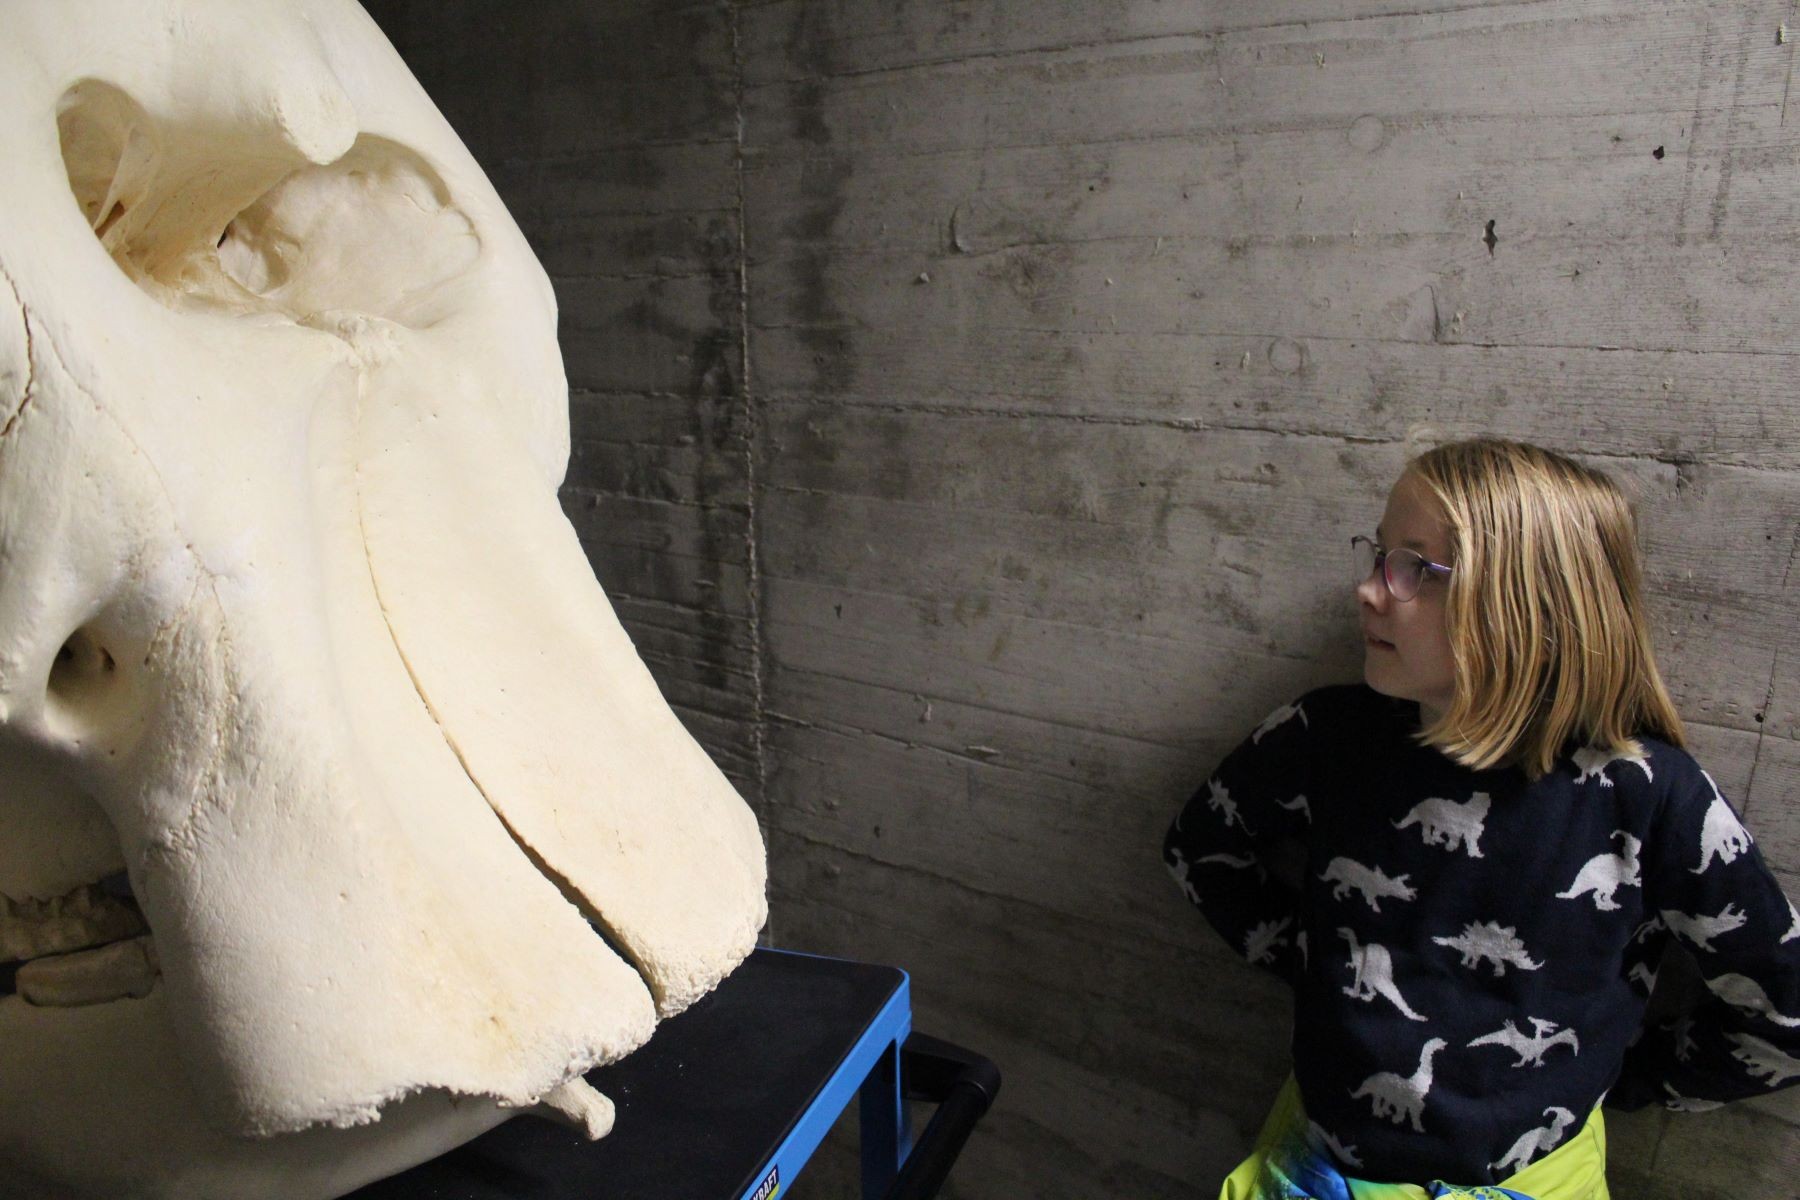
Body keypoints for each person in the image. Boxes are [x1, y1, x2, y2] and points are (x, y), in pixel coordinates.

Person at [1164, 438, 1800, 1200]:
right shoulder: (1327, 736)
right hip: (1312, 1170)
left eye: (1413, 569)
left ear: (1529, 609)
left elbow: (1787, 1013)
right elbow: (1200, 849)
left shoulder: (1650, 796)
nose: (1368, 590)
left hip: (1536, 1180)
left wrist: (1624, 1076)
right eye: (1378, 555)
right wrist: (1326, 974)